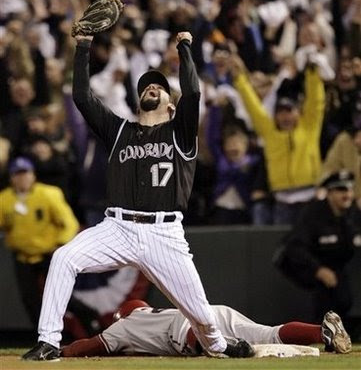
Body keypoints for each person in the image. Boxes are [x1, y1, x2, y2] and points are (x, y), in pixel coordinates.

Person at [22, 30, 252, 361]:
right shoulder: (119, 131)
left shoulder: (180, 132)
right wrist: (84, 47)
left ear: (171, 106)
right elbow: (83, 97)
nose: (151, 87)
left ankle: (217, 345)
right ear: (137, 99)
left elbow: (194, 91)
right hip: (117, 227)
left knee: (202, 315)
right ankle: (48, 341)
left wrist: (185, 47)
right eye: (146, 86)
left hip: (164, 233)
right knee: (63, 258)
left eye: (158, 86)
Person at [61, 299, 352, 358]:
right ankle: (319, 332)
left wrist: (61, 350)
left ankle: (226, 346)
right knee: (269, 333)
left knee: (190, 338)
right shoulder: (149, 311)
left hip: (186, 326)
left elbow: (88, 346)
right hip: (213, 311)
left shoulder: (122, 327)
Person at [230, 55, 326, 224]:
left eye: (289, 111)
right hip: (282, 201)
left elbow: (316, 103)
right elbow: (253, 107)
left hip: (310, 197)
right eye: (280, 112)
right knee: (284, 247)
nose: (285, 116)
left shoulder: (309, 127)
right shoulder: (269, 132)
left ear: (298, 112)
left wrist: (312, 73)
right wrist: (239, 78)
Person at [0, 157, 79, 327]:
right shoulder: (4, 199)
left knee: (61, 295)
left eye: (25, 173)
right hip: (22, 257)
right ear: (11, 178)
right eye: (18, 174)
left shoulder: (48, 193)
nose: (22, 178)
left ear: (33, 175)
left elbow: (69, 223)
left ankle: (90, 323)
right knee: (30, 299)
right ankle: (41, 337)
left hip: (48, 254)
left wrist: (60, 244)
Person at [273, 170, 361, 322]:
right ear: (330, 193)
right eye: (341, 190)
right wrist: (318, 269)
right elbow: (295, 247)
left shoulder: (352, 213)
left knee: (344, 300)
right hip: (305, 268)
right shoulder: (314, 213)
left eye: (349, 189)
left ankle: (339, 334)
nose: (347, 195)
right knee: (324, 297)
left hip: (335, 266)